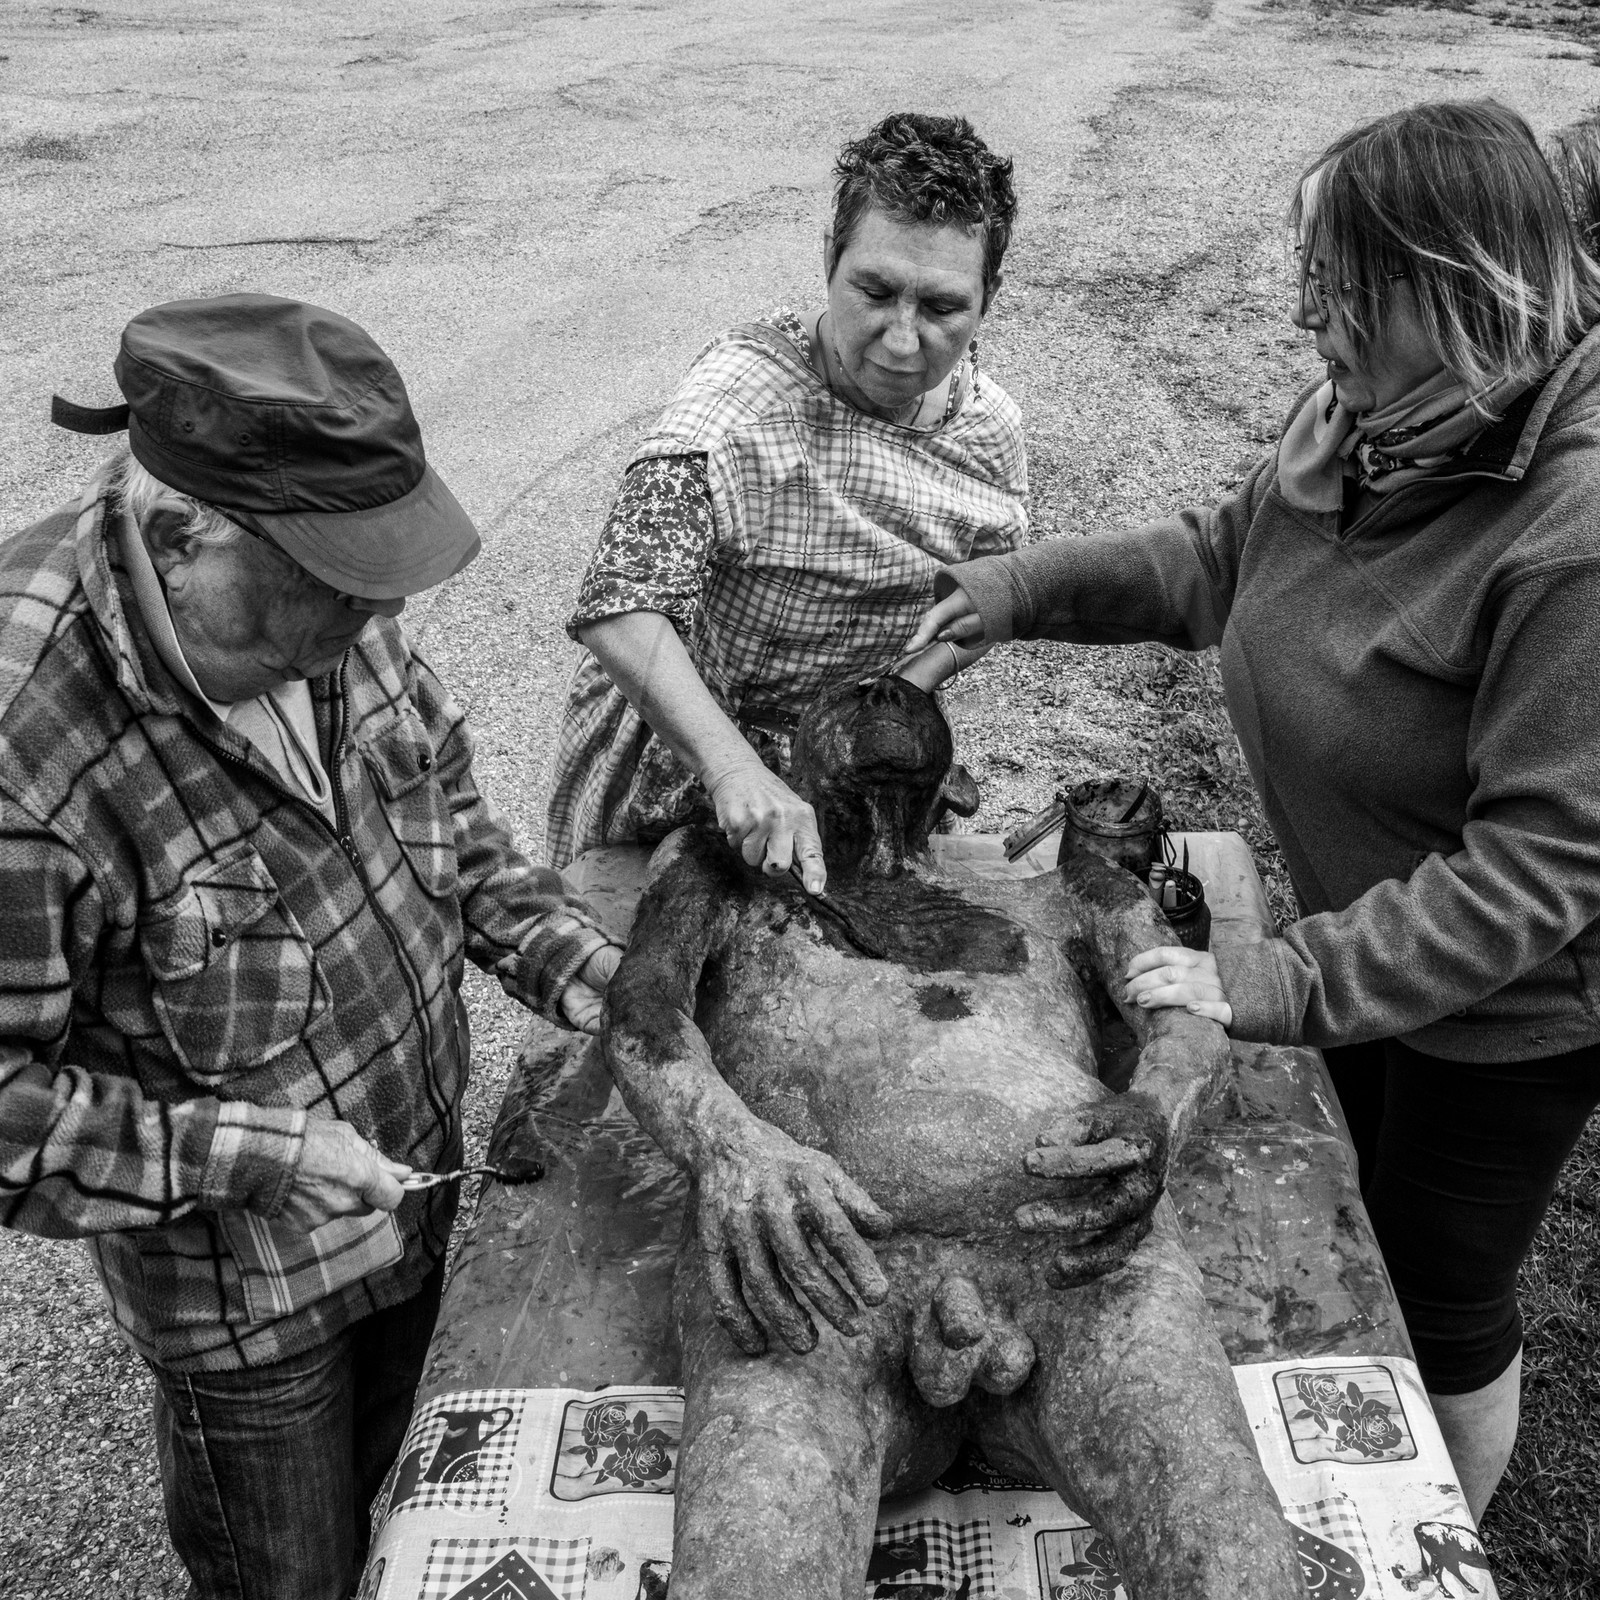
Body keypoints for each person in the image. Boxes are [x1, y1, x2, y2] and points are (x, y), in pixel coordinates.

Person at [906, 100, 1600, 1522]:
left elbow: (1536, 872)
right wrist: (1018, 589)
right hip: (1370, 923)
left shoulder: (1574, 536)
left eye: (1342, 291)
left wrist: (1273, 978)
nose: (1307, 319)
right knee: (1359, 1202)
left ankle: (1434, 1535)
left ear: (1461, 292)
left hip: (1514, 1006)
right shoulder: (1375, 416)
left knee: (1437, 1282)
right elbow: (1223, 559)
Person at [0, 294, 623, 1599]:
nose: (370, 625)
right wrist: (264, 1153)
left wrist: (591, 972)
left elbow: (455, 836)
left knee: (404, 1524)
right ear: (185, 532)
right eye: (340, 593)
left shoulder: (337, 606)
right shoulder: (27, 742)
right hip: (249, 1312)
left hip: (414, 1186)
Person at [545, 111, 1029, 891]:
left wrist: (902, 692)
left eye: (942, 309)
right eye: (873, 291)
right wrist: (733, 765)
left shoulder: (989, 432)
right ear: (828, 260)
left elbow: (983, 599)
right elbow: (619, 609)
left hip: (861, 774)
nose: (902, 341)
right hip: (689, 761)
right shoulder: (739, 410)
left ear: (989, 297)